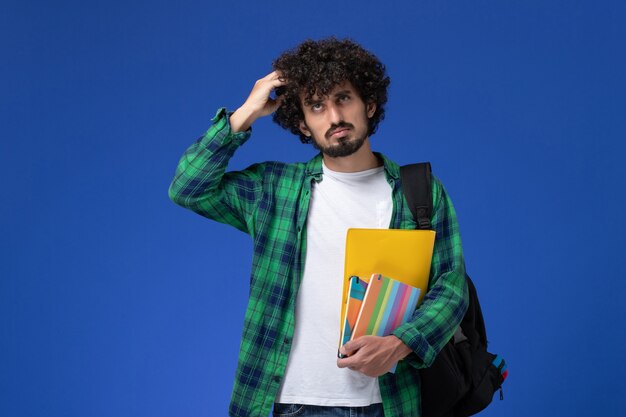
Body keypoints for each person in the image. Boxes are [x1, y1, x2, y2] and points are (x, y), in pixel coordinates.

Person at [169, 37, 468, 417]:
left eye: (343, 98)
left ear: (369, 105)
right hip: (285, 403)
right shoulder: (273, 189)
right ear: (303, 125)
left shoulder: (419, 191)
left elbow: (451, 286)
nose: (334, 117)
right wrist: (244, 114)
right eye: (316, 106)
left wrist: (400, 343)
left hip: (386, 402)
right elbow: (187, 188)